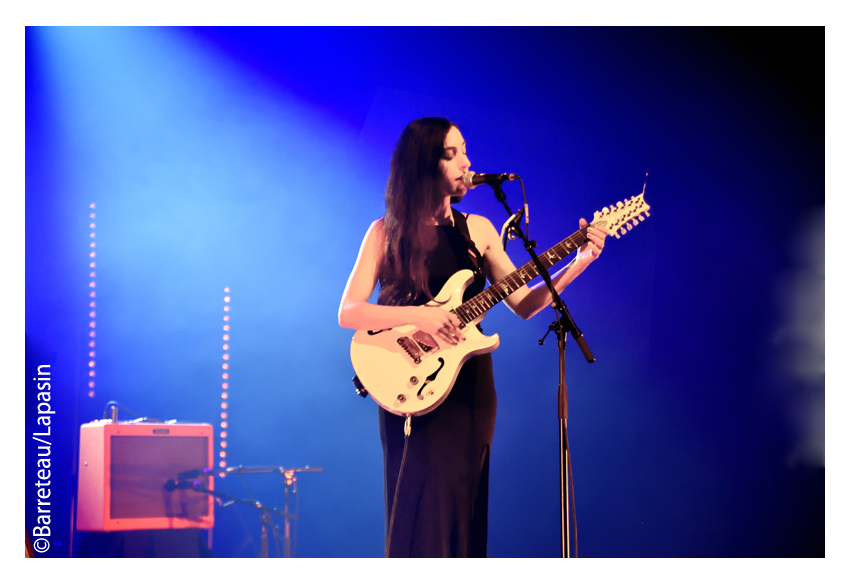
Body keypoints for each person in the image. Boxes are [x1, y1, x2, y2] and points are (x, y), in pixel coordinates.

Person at [338, 117, 607, 557]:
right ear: (426, 164)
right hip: (411, 381)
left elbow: (522, 303)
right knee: (419, 509)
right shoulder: (384, 232)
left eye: (465, 150)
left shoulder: (478, 230)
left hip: (469, 387)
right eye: (453, 153)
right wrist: (421, 320)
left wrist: (579, 261)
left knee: (464, 506)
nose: (467, 162)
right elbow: (349, 312)